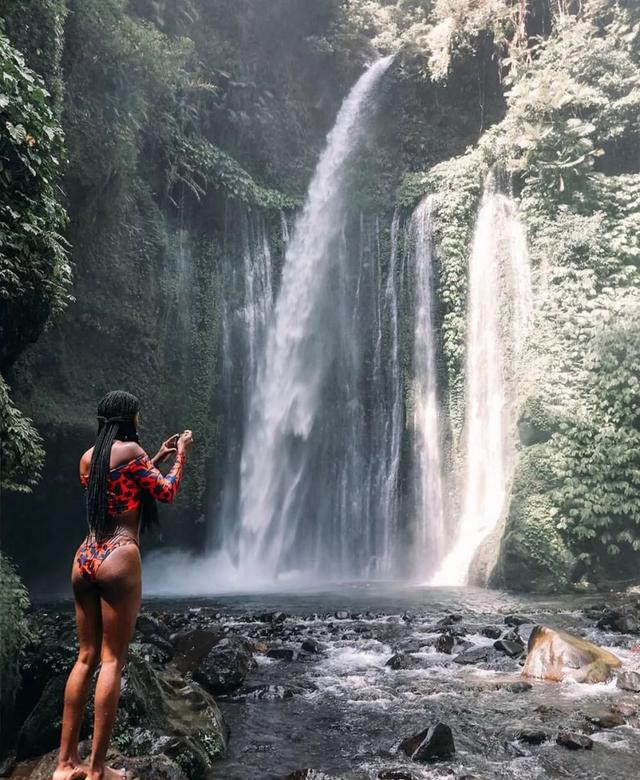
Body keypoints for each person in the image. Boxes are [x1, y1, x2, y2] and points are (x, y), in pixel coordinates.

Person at [53, 390, 193, 780]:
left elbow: (118, 484)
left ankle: (65, 764)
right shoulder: (132, 452)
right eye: (137, 417)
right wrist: (181, 452)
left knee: (84, 658)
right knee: (112, 660)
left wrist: (156, 456)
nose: (140, 422)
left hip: (86, 557)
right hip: (118, 555)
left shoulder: (88, 458)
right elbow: (165, 492)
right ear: (128, 419)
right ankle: (98, 769)